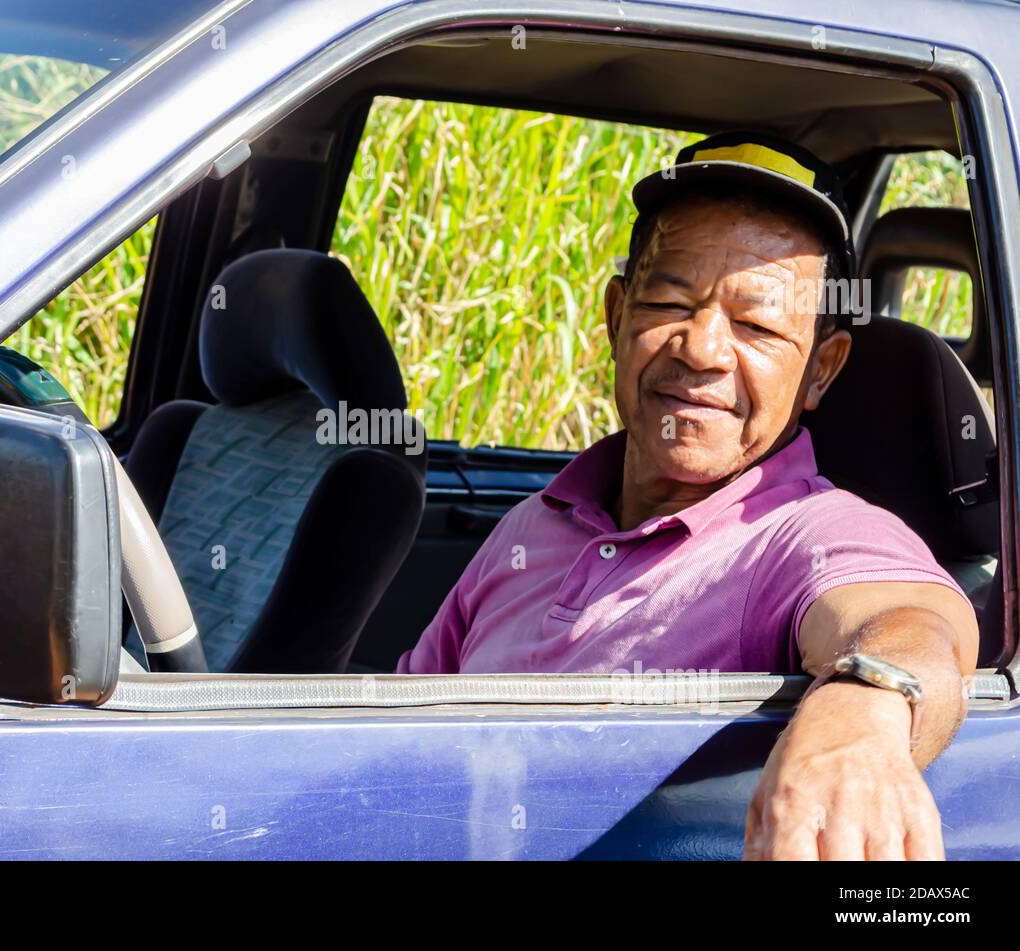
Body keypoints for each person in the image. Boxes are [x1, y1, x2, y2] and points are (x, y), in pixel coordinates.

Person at [397, 132, 979, 860]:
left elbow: (914, 622)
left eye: (757, 325)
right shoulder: (530, 525)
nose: (701, 349)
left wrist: (864, 713)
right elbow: (398, 737)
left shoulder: (803, 534)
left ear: (822, 371)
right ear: (616, 316)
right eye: (670, 301)